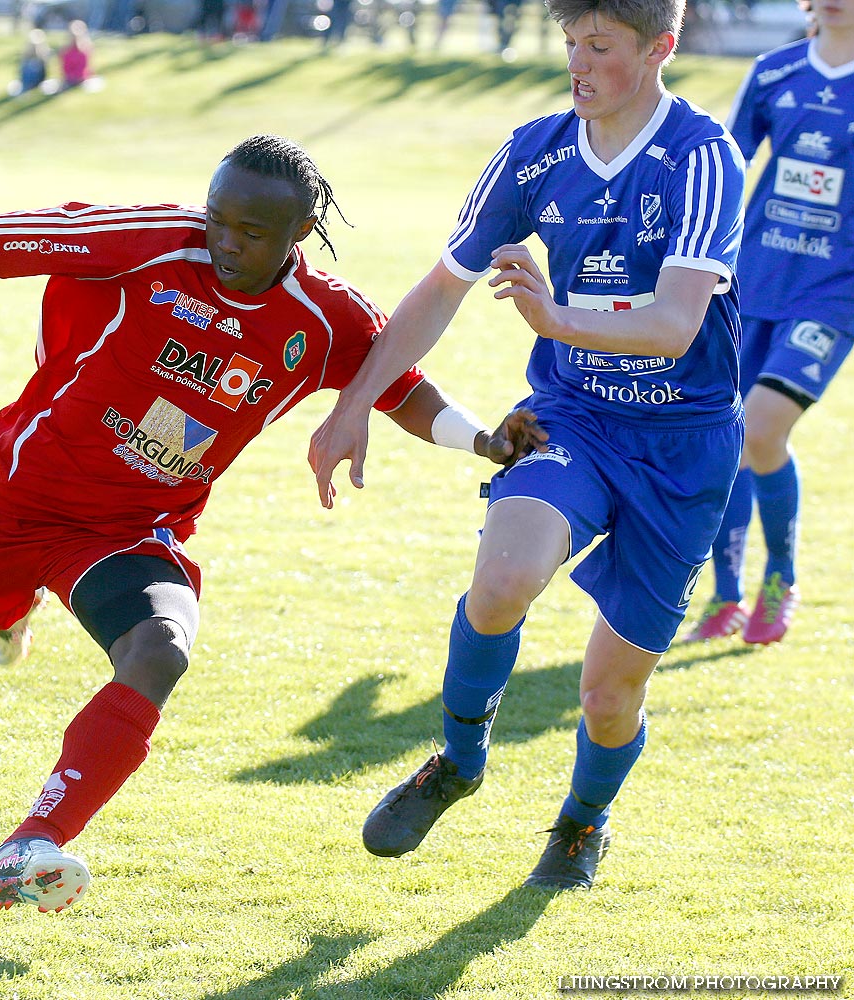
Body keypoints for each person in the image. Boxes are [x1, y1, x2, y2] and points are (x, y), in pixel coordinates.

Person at [0, 134, 546, 913]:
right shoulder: (147, 243)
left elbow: (400, 386)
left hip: (126, 530)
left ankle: (30, 843)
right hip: (9, 498)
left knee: (160, 650)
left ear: (300, 236)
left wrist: (484, 440)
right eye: (217, 218)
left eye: (250, 233)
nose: (223, 241)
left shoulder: (322, 321)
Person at [309, 0, 746, 891]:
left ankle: (582, 823)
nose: (577, 65)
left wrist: (553, 316)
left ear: (659, 49)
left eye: (600, 47)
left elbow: (672, 325)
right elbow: (442, 287)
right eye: (569, 44)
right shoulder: (535, 149)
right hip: (572, 415)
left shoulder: (703, 158)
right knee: (502, 579)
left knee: (607, 695)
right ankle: (458, 761)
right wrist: (354, 402)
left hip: (684, 448)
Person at [684, 0, 853, 646]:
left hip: (831, 296)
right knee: (728, 441)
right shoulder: (774, 71)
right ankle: (725, 596)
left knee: (761, 427)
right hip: (750, 284)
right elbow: (724, 171)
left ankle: (779, 580)